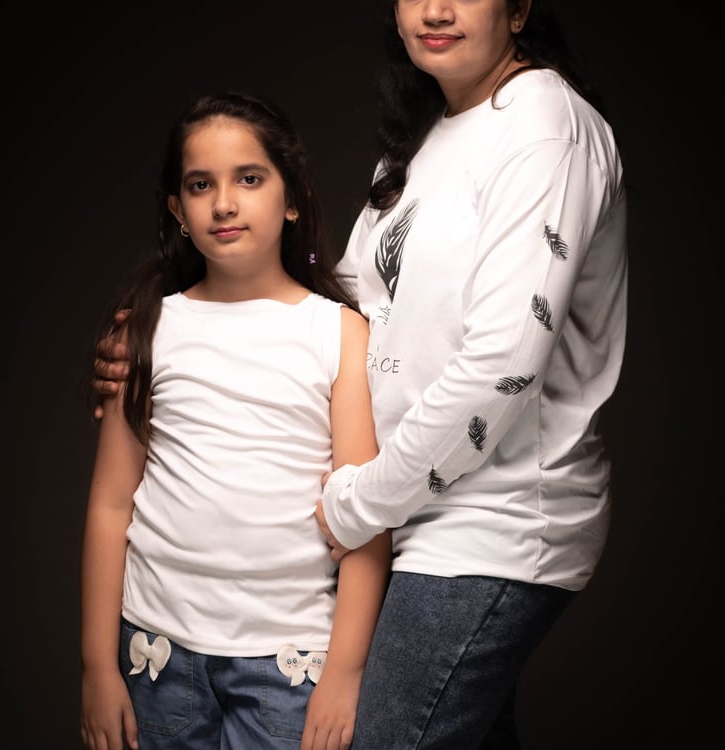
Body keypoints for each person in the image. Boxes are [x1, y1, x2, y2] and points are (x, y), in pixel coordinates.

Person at [93, 1, 628, 747]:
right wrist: (168, 343)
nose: (435, 10)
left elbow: (504, 364)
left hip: (491, 523)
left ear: (519, 8)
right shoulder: (420, 139)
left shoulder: (544, 126)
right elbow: (345, 308)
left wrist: (358, 503)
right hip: (406, 515)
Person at [80, 91, 391, 750]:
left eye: (249, 178)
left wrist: (345, 671)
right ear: (178, 212)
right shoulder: (147, 331)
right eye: (201, 185)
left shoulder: (339, 333)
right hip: (155, 657)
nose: (224, 202)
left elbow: (366, 517)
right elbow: (111, 505)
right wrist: (96, 666)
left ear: (292, 196)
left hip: (290, 664)